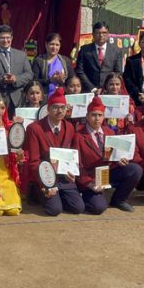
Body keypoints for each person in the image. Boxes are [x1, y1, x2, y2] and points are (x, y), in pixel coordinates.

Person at [72, 96, 142, 213]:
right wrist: (88, 183)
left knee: (135, 169)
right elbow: (76, 165)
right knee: (98, 208)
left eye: (100, 115)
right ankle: (83, 194)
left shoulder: (109, 132)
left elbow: (114, 155)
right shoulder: (79, 136)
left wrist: (119, 160)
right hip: (91, 176)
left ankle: (119, 199)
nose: (97, 118)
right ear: (87, 116)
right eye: (93, 115)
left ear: (104, 117)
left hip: (108, 172)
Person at [26, 88, 82, 216]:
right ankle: (37, 192)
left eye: (63, 108)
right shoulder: (35, 129)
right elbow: (34, 161)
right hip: (46, 177)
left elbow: (73, 155)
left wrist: (73, 172)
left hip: (64, 177)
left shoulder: (70, 127)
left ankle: (59, 197)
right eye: (55, 107)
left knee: (78, 207)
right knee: (55, 210)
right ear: (48, 109)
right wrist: (45, 183)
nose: (60, 111)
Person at [0, 25, 33, 115]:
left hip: (18, 99)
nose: (5, 40)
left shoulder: (21, 55)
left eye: (8, 37)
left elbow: (29, 74)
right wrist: (1, 80)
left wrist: (16, 79)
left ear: (12, 38)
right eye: (2, 38)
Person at [75, 22, 124, 93]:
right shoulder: (84, 50)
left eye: (104, 33)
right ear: (93, 34)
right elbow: (80, 71)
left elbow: (118, 72)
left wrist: (107, 88)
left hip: (109, 92)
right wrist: (93, 89)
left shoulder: (116, 51)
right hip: (89, 91)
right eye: (98, 33)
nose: (101, 35)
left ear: (108, 34)